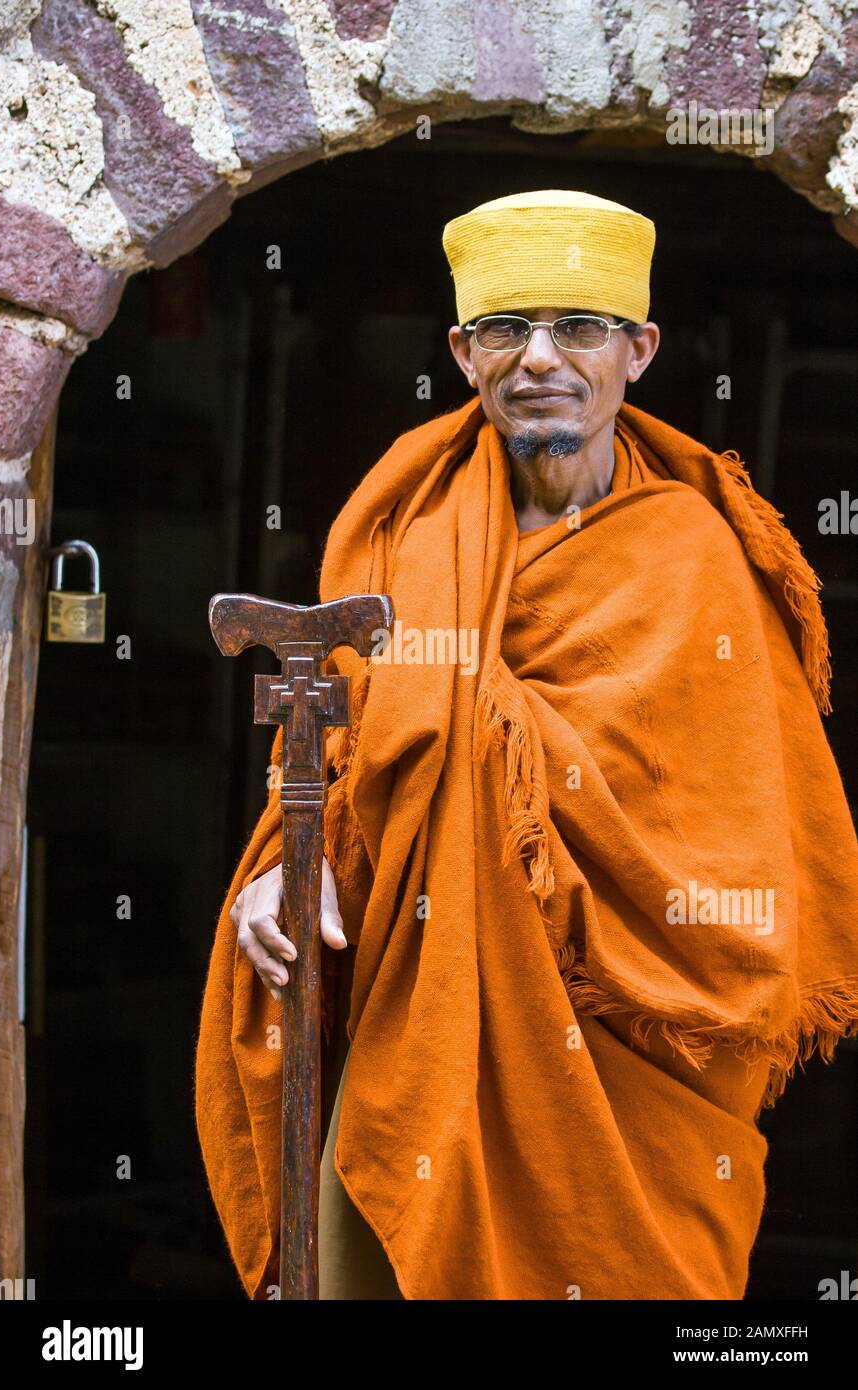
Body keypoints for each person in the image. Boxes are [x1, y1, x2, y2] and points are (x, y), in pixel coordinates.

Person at [195, 190, 858, 1300]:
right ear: (462, 352)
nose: (539, 358)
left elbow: (748, 817)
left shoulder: (693, 552)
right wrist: (276, 875)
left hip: (626, 1054)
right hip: (424, 1001)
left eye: (578, 327)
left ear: (637, 350)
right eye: (505, 329)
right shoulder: (408, 520)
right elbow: (347, 750)